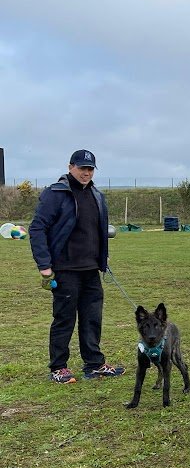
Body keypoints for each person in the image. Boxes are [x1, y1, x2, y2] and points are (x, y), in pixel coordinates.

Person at [29, 149, 125, 384]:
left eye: (90, 169)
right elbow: (37, 228)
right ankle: (58, 367)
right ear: (70, 166)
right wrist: (44, 264)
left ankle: (94, 364)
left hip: (91, 270)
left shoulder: (97, 195)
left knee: (92, 318)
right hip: (64, 268)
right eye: (82, 168)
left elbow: (98, 231)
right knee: (64, 319)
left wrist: (103, 258)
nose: (86, 173)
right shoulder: (56, 193)